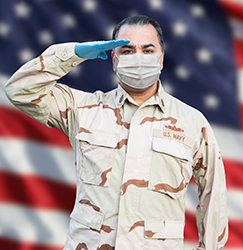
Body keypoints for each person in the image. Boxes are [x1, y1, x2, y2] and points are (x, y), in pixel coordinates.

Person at [5, 15, 228, 250]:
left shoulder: (192, 122)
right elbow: (20, 91)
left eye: (148, 50)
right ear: (114, 60)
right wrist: (74, 53)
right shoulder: (83, 109)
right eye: (127, 50)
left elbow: (213, 195)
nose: (138, 57)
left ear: (161, 59)